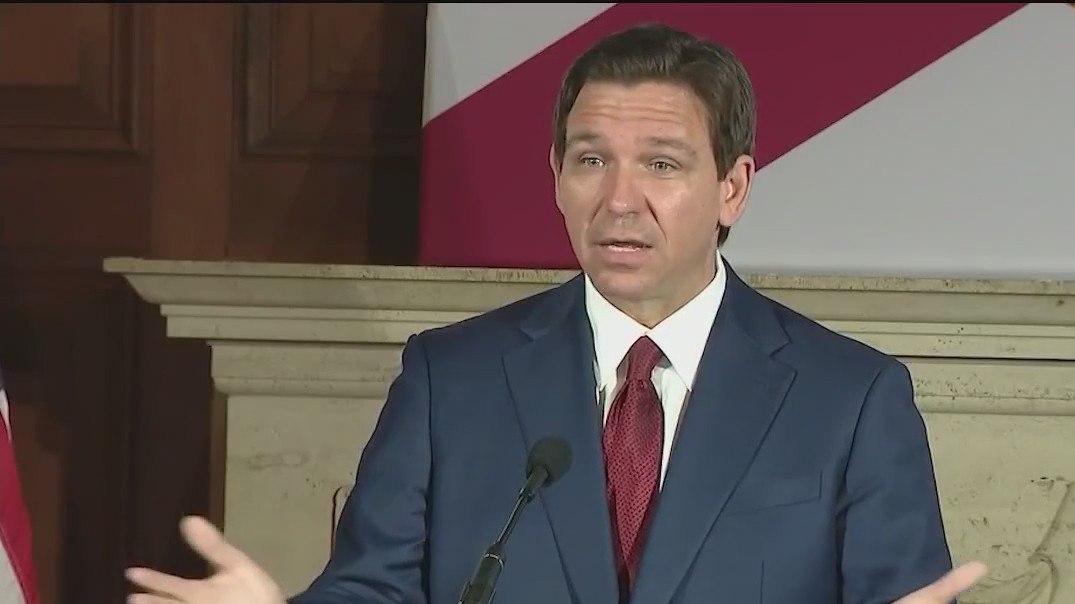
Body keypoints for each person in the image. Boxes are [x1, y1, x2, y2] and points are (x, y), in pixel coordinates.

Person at [125, 22, 987, 604]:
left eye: (660, 164)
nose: (619, 201)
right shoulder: (449, 379)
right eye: (590, 160)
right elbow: (372, 591)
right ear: (555, 177)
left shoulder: (849, 398)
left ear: (732, 187)